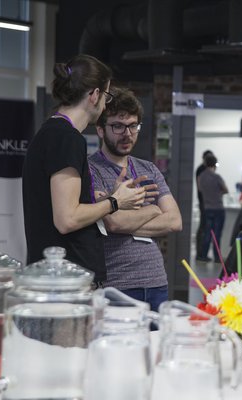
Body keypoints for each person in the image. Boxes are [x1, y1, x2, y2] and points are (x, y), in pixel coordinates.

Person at [22, 54, 146, 285]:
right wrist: (115, 202)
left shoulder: (53, 133)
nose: (105, 104)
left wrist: (101, 199)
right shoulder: (66, 138)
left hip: (59, 275)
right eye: (106, 95)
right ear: (94, 95)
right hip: (67, 280)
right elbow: (67, 219)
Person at [89, 86, 182, 310]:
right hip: (117, 283)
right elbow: (113, 221)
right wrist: (152, 210)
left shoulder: (148, 169)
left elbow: (175, 221)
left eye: (133, 126)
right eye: (118, 126)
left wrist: (122, 216)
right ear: (101, 129)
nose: (127, 134)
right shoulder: (91, 170)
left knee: (156, 344)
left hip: (156, 280)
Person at [197, 154, 228, 262]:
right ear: (215, 164)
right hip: (218, 208)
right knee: (217, 234)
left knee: (207, 233)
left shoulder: (201, 177)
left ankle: (204, 255)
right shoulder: (216, 177)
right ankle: (217, 257)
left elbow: (200, 189)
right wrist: (218, 192)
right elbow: (226, 189)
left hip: (207, 208)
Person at [195, 150, 213, 260]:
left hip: (205, 202)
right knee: (203, 228)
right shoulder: (202, 169)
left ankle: (202, 254)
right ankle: (200, 254)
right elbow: (201, 187)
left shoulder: (202, 169)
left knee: (204, 228)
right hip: (204, 203)